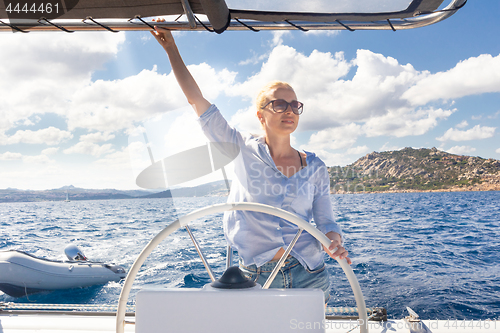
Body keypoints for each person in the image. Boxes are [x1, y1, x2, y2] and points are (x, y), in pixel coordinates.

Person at [150, 27, 351, 302]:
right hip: (256, 277)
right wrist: (171, 49)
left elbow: (326, 221)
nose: (290, 110)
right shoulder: (240, 146)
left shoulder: (316, 166)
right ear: (261, 115)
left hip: (310, 273)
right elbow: (197, 102)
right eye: (280, 104)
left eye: (295, 105)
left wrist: (333, 241)